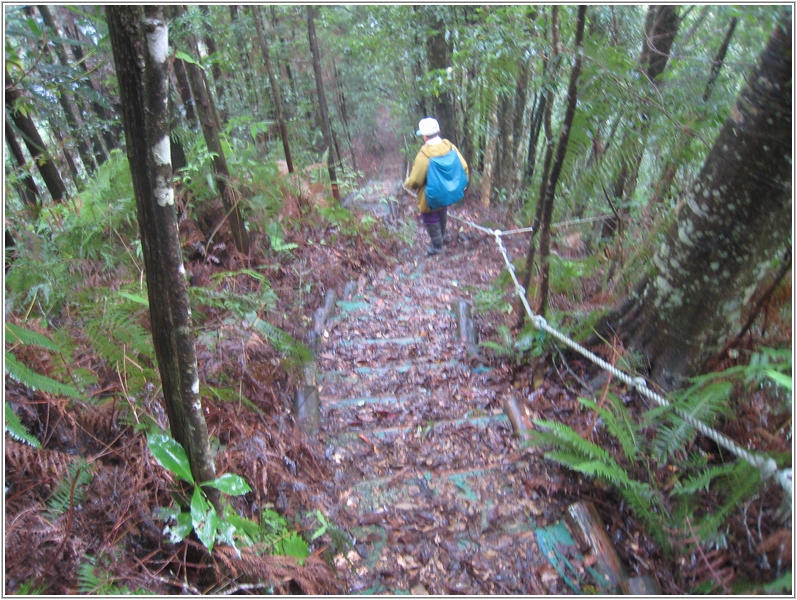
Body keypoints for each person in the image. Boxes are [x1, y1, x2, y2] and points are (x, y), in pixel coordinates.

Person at [404, 117, 469, 255]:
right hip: (447, 191)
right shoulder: (450, 147)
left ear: (425, 136)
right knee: (442, 210)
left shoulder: (424, 154)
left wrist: (407, 183)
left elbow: (416, 180)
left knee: (430, 215)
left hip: (430, 195)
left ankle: (437, 246)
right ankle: (443, 236)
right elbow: (464, 166)